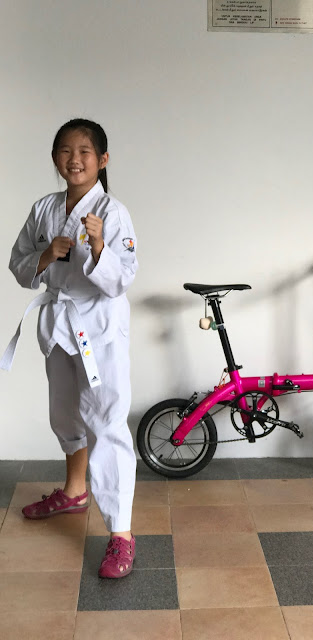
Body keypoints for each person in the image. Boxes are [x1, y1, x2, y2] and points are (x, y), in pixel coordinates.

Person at [4, 118, 138, 578]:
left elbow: (122, 278)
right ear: (55, 158)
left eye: (84, 151)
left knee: (107, 420)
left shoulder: (113, 212)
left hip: (99, 326)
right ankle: (75, 491)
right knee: (63, 413)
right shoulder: (44, 209)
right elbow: (18, 263)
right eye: (65, 150)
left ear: (103, 160)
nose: (74, 159)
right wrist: (46, 255)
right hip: (59, 323)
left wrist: (98, 246)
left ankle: (121, 533)